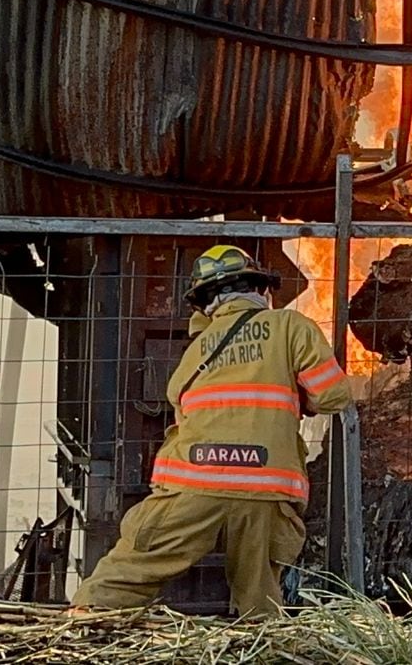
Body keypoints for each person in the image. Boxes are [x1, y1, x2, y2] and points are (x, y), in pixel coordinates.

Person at [71, 244, 353, 616]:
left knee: (133, 567)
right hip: (266, 486)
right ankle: (264, 652)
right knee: (259, 599)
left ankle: (81, 621)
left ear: (205, 303)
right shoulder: (290, 326)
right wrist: (296, 398)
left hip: (195, 481)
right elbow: (334, 396)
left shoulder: (198, 349)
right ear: (262, 289)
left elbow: (179, 404)